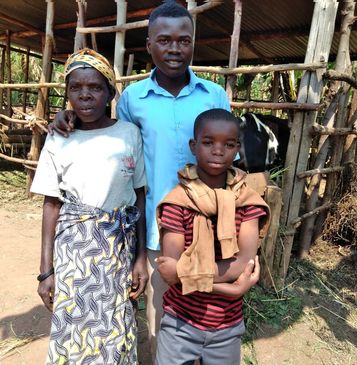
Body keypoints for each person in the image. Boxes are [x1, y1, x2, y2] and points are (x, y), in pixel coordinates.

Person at [48, 1, 230, 357]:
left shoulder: (215, 96)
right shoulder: (133, 99)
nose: (174, 49)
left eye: (183, 40)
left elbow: (231, 162)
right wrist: (67, 114)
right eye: (164, 40)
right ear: (149, 45)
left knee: (209, 314)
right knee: (161, 318)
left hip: (210, 225)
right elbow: (105, 130)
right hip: (157, 231)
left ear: (194, 43)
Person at [31, 48, 148, 364]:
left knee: (115, 324)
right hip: (74, 253)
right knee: (74, 327)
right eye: (76, 88)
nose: (85, 96)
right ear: (66, 93)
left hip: (117, 249)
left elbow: (139, 196)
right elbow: (51, 203)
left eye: (95, 88)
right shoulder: (59, 137)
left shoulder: (128, 134)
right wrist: (45, 272)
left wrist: (139, 259)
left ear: (110, 92)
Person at [155, 108, 270, 365]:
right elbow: (171, 274)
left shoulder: (248, 202)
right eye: (208, 143)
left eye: (228, 144)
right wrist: (231, 289)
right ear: (194, 146)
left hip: (227, 327)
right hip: (180, 322)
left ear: (237, 148)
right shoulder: (178, 202)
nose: (218, 150)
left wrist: (188, 272)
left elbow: (243, 264)